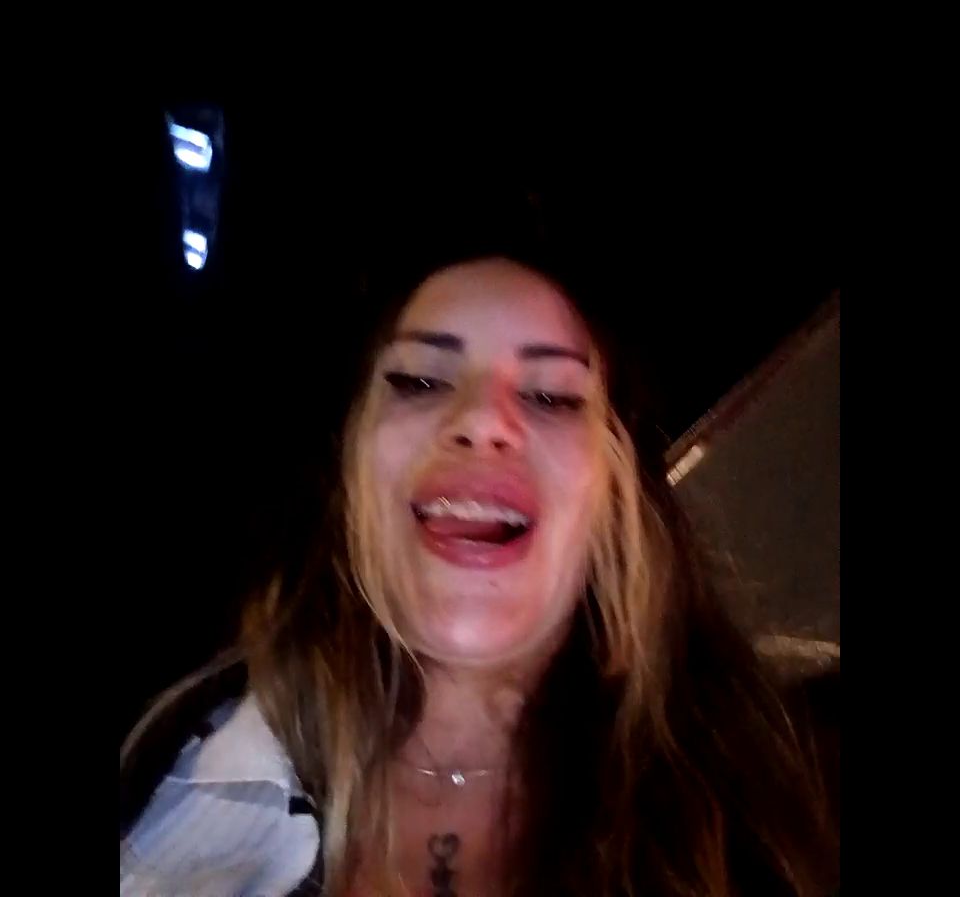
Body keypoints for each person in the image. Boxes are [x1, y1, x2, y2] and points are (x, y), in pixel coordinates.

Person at [120, 252, 837, 896]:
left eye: (552, 396)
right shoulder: (161, 760)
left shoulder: (768, 811)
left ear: (616, 501)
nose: (482, 420)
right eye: (420, 380)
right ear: (351, 472)